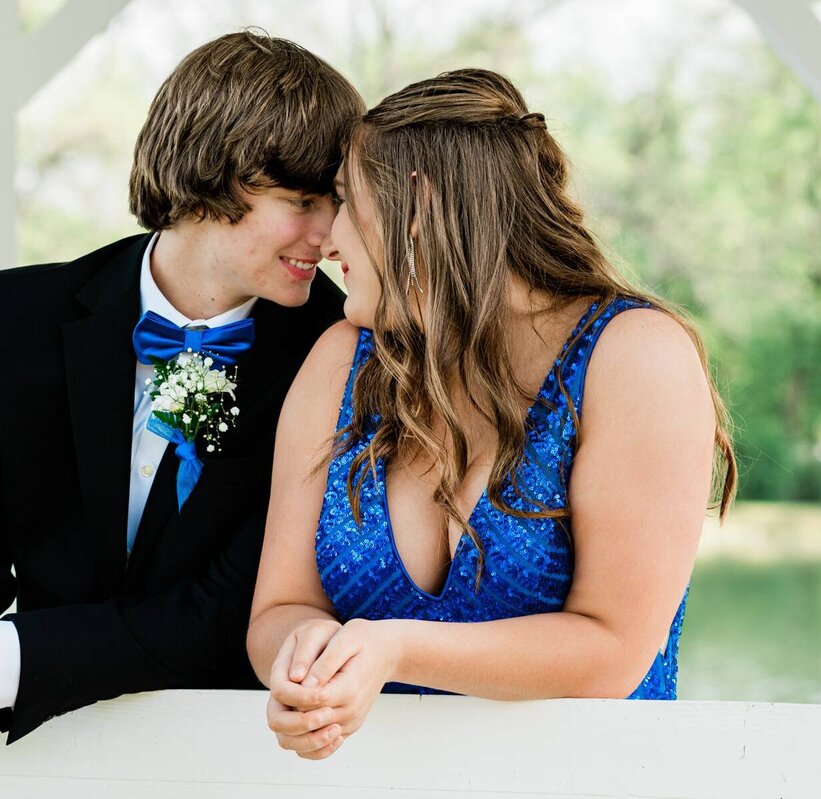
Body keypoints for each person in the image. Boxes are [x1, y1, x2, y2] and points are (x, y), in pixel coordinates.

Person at [0, 31, 364, 749]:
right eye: (304, 200)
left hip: (245, 755)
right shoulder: (5, 322)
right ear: (211, 174)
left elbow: (225, 611)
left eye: (336, 202)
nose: (330, 233)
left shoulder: (343, 352)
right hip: (40, 761)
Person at [247, 68, 738, 759]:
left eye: (346, 203)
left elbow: (612, 648)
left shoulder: (633, 357)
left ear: (416, 213)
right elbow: (278, 607)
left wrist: (394, 648)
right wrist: (303, 655)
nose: (327, 240)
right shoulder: (341, 361)